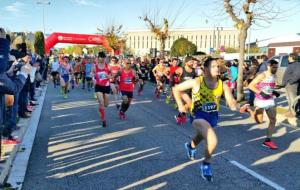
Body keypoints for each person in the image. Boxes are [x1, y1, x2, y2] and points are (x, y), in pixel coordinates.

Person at [173, 57, 239, 182]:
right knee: (212, 140)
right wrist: (181, 106)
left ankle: (190, 146)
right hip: (198, 116)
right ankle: (206, 164)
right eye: (213, 66)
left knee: (201, 136)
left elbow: (231, 103)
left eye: (218, 66)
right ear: (206, 69)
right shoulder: (197, 82)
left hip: (212, 117)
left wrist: (239, 107)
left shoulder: (222, 85)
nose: (217, 68)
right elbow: (176, 89)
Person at [240, 59, 280, 149]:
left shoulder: (274, 76)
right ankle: (249, 108)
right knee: (259, 121)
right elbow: (251, 86)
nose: (275, 69)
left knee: (273, 120)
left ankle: (268, 141)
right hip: (260, 100)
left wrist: (274, 92)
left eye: (277, 67)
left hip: (270, 100)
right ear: (269, 66)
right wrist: (261, 93)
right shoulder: (262, 75)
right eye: (274, 67)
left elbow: (269, 87)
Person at [93, 52, 111, 127]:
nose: (102, 58)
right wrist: (93, 78)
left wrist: (108, 76)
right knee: (101, 101)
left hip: (106, 86)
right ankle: (103, 119)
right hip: (98, 86)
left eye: (103, 57)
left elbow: (111, 75)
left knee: (106, 104)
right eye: (101, 57)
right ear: (98, 57)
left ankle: (101, 109)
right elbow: (92, 75)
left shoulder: (108, 66)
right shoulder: (95, 67)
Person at [282, 53, 300, 117]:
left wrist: (290, 82)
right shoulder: (292, 64)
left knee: (293, 99)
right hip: (289, 85)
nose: (288, 58)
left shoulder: (296, 64)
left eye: (288, 57)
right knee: (290, 99)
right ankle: (290, 111)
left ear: (291, 57)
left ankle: (293, 113)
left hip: (292, 85)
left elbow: (297, 75)